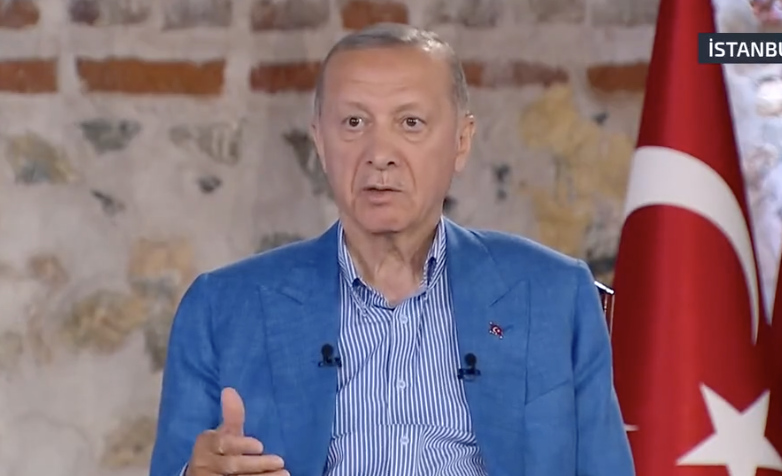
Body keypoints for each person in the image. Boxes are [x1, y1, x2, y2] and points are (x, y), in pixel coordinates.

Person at [149, 22, 635, 476]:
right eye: (354, 122)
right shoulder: (221, 309)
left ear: (461, 141)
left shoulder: (555, 295)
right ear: (319, 141)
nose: (380, 154)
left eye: (411, 123)